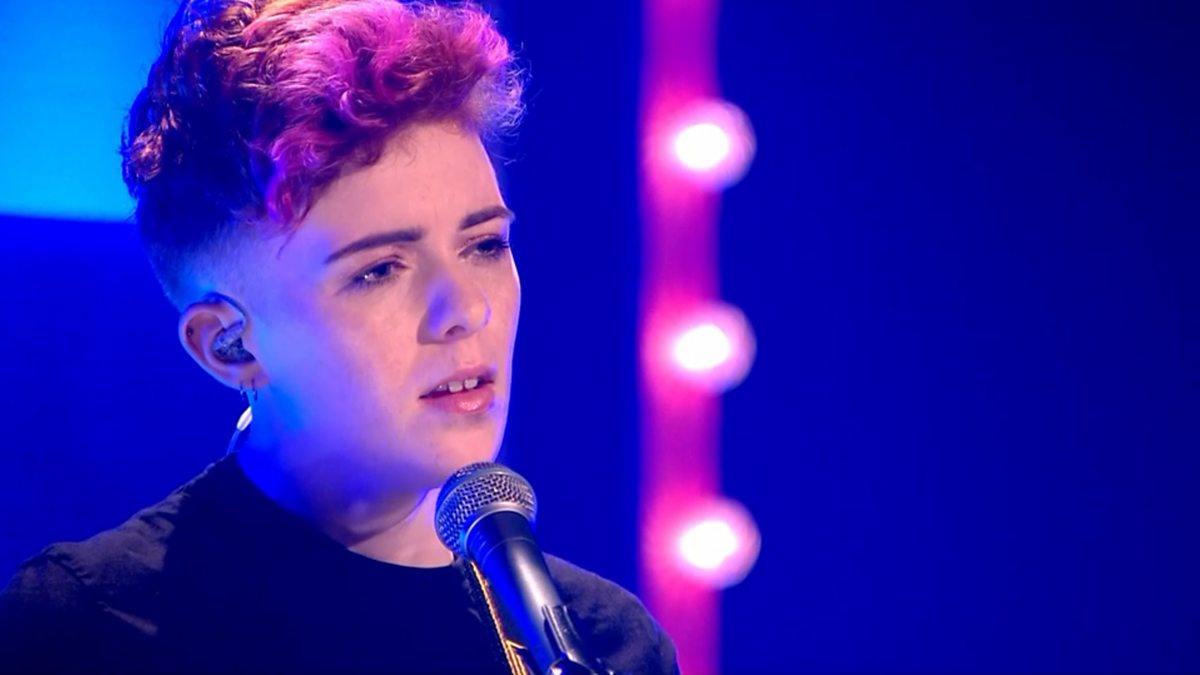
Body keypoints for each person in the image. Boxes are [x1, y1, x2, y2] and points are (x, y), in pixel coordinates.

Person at [0, 1, 679, 672]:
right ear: (230, 345)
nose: (467, 309)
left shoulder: (608, 642)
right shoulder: (90, 629)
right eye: (379, 269)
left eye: (484, 245)